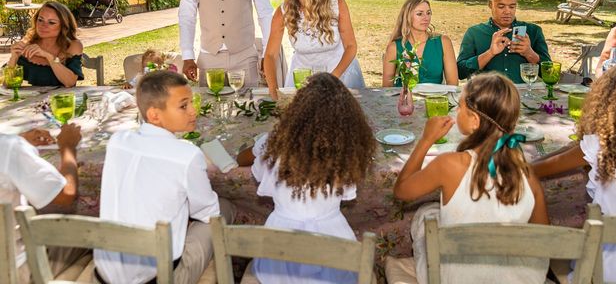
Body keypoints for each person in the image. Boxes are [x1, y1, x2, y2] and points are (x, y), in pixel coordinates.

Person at [393, 72, 549, 284]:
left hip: (458, 278)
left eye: (459, 106)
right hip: (517, 279)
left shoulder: (449, 165)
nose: (456, 111)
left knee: (425, 215)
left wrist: (426, 139)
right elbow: (544, 240)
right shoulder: (527, 175)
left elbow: (401, 190)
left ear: (475, 121)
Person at [94, 71, 235, 284]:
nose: (193, 111)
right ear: (154, 115)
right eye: (183, 106)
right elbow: (209, 213)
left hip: (105, 276)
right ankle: (230, 269)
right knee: (224, 209)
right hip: (160, 277)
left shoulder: (118, 140)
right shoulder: (187, 154)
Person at [237, 73, 376, 284]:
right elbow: (347, 192)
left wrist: (261, 144)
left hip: (279, 250)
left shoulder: (273, 145)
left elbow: (243, 159)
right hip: (334, 245)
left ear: (296, 112)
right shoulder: (346, 153)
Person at [532, 63, 616, 284]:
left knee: (536, 197)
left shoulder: (602, 146)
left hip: (604, 272)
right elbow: (573, 150)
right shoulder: (604, 145)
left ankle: (543, 267)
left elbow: (537, 170)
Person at [263, 0, 364, 99]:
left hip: (340, 74)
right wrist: (273, 90)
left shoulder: (337, 3)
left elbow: (351, 46)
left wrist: (332, 79)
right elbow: (270, 55)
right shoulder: (283, 11)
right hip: (301, 79)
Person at [0, 124, 85, 283]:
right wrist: (68, 147)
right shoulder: (7, 147)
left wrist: (20, 143)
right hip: (16, 269)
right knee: (95, 235)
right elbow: (65, 195)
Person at [457, 0, 551, 83]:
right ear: (490, 5)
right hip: (487, 95)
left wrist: (529, 53)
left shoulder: (533, 31)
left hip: (523, 95)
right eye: (501, 7)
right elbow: (460, 72)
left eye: (512, 7)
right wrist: (490, 53)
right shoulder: (474, 33)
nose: (507, 12)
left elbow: (549, 73)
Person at [382, 0, 458, 86]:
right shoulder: (394, 47)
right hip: (404, 99)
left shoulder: (443, 42)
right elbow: (387, 88)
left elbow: (453, 84)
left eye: (428, 13)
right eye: (420, 14)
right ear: (407, 17)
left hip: (434, 99)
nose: (426, 18)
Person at [7, 1, 84, 87]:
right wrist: (14, 57)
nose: (43, 25)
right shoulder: (28, 44)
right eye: (40, 20)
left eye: (51, 22)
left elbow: (70, 83)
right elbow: (7, 85)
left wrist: (49, 57)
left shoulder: (73, 45)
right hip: (32, 99)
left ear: (63, 26)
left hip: (60, 99)